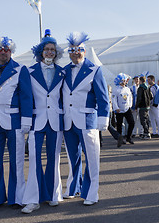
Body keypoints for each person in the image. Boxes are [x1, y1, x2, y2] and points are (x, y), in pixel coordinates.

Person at [0, 36, 33, 209]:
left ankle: (17, 197)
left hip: (14, 122)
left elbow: (27, 97)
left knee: (17, 160)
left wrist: (26, 120)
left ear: (11, 51)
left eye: (6, 49)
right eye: (0, 49)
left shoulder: (20, 69)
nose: (3, 52)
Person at [62, 32, 109, 206]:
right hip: (68, 121)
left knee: (91, 158)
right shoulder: (64, 71)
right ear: (69, 52)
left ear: (84, 51)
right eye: (72, 50)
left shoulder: (94, 69)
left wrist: (103, 118)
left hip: (87, 120)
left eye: (79, 50)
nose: (76, 53)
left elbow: (103, 97)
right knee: (72, 157)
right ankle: (73, 187)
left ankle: (91, 192)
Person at [21, 30, 64, 214]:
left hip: (56, 120)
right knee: (34, 159)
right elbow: (25, 97)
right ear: (40, 51)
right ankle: (33, 199)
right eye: (46, 49)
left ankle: (53, 194)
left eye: (52, 49)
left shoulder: (63, 72)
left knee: (54, 159)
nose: (49, 52)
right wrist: (25, 120)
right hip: (36, 121)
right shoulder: (29, 71)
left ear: (56, 52)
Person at [112, 73, 135, 146]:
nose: (124, 82)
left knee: (132, 122)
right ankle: (120, 139)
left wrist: (130, 106)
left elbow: (130, 97)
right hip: (119, 110)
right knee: (119, 125)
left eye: (125, 80)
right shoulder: (116, 89)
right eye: (122, 80)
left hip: (127, 109)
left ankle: (128, 137)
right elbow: (114, 99)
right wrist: (116, 108)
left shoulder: (127, 89)